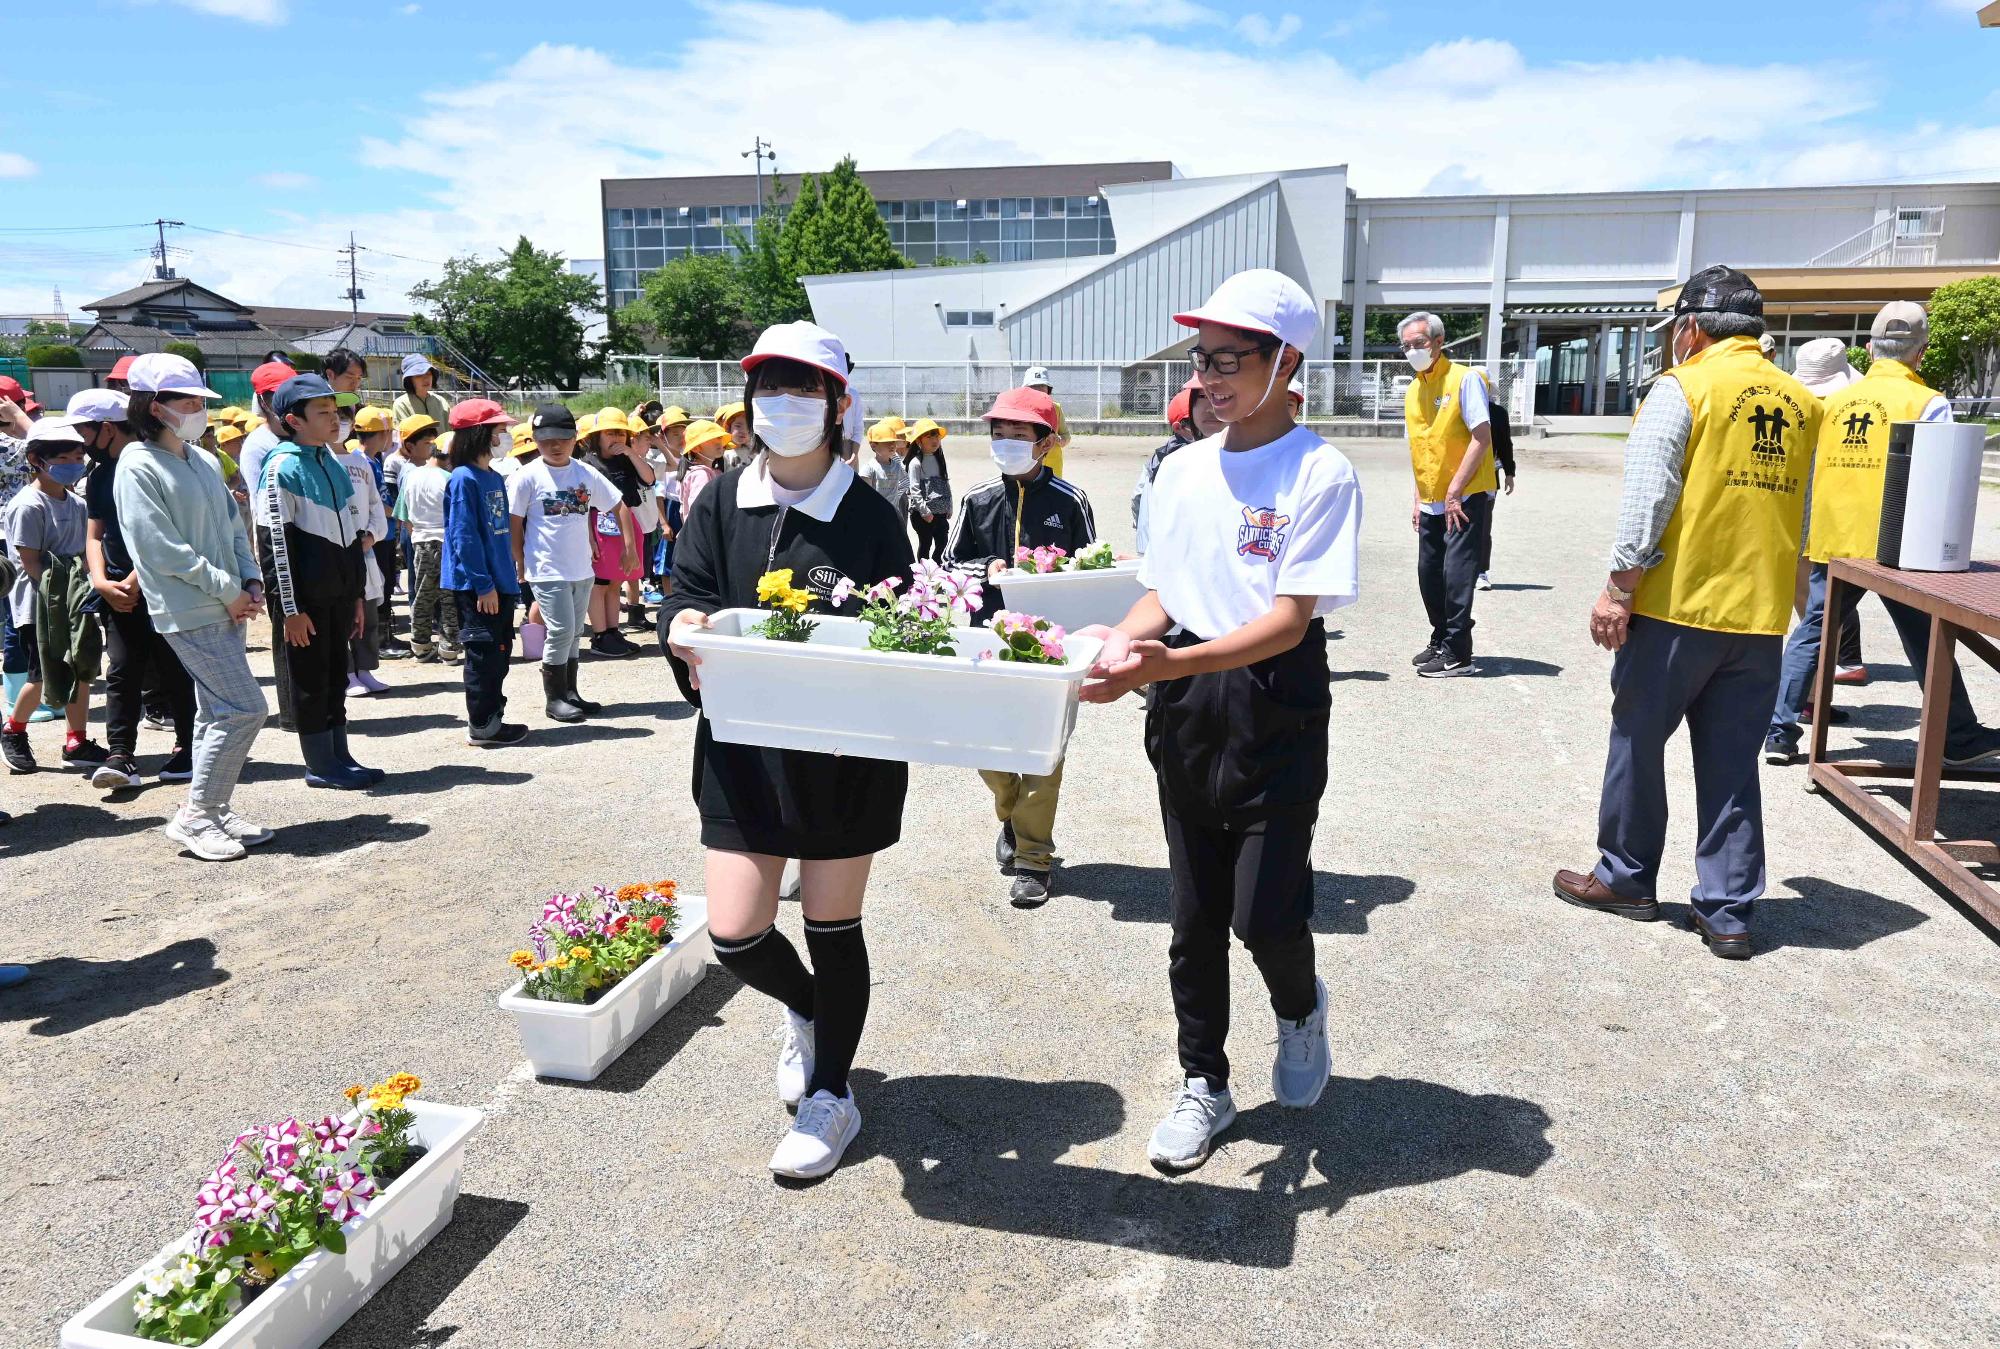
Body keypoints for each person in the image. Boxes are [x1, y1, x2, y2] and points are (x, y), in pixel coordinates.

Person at [1078, 269, 1360, 1171]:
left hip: (1274, 695)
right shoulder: (1182, 470)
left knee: (1262, 911)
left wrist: (1170, 661)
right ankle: (1204, 1081)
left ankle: (1299, 1005)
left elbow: (1287, 619)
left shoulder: (1320, 469)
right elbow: (1165, 591)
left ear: (1286, 361)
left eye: (1232, 360)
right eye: (1203, 360)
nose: (1212, 379)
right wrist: (1115, 648)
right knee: (1194, 916)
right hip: (1187, 700)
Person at [664, 321, 916, 1181]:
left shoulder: (871, 514)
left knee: (831, 924)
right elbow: (686, 593)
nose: (786, 402)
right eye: (771, 385)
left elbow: (899, 624)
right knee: (735, 934)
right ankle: (810, 1011)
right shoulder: (719, 499)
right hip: (741, 747)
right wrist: (685, 628)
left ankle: (833, 1094)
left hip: (846, 755)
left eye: (805, 387)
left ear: (838, 403)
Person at [1553, 266, 1819, 960]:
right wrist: (1806, 608)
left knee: (1638, 742)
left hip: (1678, 610)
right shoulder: (1800, 402)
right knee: (1732, 763)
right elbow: (1805, 512)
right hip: (1757, 621)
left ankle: (1627, 877)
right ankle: (1728, 910)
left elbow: (1649, 495)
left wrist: (1618, 589)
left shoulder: (1684, 388)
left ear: (1691, 328)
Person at [1766, 303, 2000, 768]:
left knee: (1814, 628)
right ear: (1922, 353)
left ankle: (1779, 732)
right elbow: (1941, 481)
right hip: (1899, 542)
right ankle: (1956, 736)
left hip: (1834, 535)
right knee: (1927, 635)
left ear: (1869, 348)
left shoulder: (1832, 402)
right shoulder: (1927, 402)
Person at [115, 354, 270, 860]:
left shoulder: (201, 458)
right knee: (245, 708)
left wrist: (249, 578)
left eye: (201, 401)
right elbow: (159, 548)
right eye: (188, 400)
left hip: (226, 601)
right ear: (154, 406)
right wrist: (229, 589)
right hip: (189, 606)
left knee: (215, 711)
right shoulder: (136, 465)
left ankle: (214, 809)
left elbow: (231, 525)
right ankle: (198, 814)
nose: (199, 408)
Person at [947, 386, 1097, 907]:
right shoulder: (977, 499)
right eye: (999, 433)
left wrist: (1052, 572)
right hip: (987, 640)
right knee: (988, 745)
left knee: (1041, 751)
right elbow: (950, 566)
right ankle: (1012, 815)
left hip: (1048, 646)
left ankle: (1033, 858)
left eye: (1018, 434)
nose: (1006, 441)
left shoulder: (1070, 501)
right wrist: (986, 573)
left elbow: (1089, 567)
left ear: (1044, 440)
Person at [258, 374, 383, 790]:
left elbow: (351, 536)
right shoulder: (281, 466)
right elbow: (276, 545)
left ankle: (340, 755)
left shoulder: (331, 461)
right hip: (305, 604)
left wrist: (358, 598)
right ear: (293, 420)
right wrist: (290, 611)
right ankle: (319, 764)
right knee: (311, 682)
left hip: (340, 596)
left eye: (336, 412)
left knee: (335, 678)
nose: (335, 421)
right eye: (323, 413)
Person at [76, 388, 196, 791]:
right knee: (122, 671)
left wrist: (135, 579)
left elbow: (170, 534)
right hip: (117, 594)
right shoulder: (97, 476)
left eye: (84, 433)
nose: (82, 443)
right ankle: (121, 754)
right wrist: (101, 581)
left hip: (163, 588)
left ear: (107, 428)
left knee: (175, 669)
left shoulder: (153, 464)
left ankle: (187, 745)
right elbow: (95, 534)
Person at [2, 418, 107, 774]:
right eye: (64, 458)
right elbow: (29, 562)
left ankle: (76, 740)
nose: (74, 465)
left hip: (76, 601)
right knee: (43, 674)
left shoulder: (76, 504)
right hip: (40, 606)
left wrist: (88, 588)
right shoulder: (28, 505)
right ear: (37, 459)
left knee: (81, 669)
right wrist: (65, 591)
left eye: (78, 456)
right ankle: (13, 731)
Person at [508, 403, 621, 723]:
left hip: (581, 568)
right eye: (546, 440)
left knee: (573, 633)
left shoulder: (584, 473)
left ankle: (570, 693)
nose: (555, 446)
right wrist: (518, 562)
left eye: (562, 438)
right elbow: (515, 523)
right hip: (545, 568)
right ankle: (554, 698)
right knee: (560, 631)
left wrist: (628, 547)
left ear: (575, 439)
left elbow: (615, 503)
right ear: (534, 441)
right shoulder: (526, 477)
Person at [1401, 310, 1497, 678]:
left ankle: (1459, 653)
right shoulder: (1413, 389)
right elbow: (1418, 449)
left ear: (1439, 343)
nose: (1413, 351)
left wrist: (1455, 490)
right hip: (1430, 500)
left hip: (1465, 495)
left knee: (1456, 574)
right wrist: (1417, 499)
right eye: (1407, 346)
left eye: (1420, 344)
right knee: (1430, 574)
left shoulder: (1465, 380)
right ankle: (1440, 638)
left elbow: (1481, 436)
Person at [441, 401, 527, 747]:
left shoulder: (491, 476)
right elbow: (464, 536)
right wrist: (483, 585)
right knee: (483, 655)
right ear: (480, 434)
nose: (504, 436)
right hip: (478, 586)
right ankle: (482, 724)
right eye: (499, 430)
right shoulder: (463, 478)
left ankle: (494, 716)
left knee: (499, 653)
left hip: (498, 582)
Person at [1790, 337, 1868, 685]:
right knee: (1814, 613)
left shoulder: (1858, 405)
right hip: (1811, 521)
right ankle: (1809, 697)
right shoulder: (1842, 403)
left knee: (1820, 613)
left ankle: (1810, 696)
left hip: (1832, 522)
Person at [575, 410, 645, 658]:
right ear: (597, 436)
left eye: (620, 432)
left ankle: (613, 630)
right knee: (599, 584)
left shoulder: (627, 459)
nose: (616, 437)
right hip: (597, 525)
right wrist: (589, 538)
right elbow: (582, 505)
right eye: (610, 432)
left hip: (624, 525)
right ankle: (600, 634)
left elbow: (648, 479)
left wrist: (631, 453)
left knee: (616, 580)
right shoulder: (586, 465)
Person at [332, 407, 391, 696]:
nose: (339, 422)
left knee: (367, 614)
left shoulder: (361, 462)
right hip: (337, 550)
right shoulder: (321, 460)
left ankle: (364, 668)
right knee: (343, 614)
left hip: (364, 549)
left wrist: (371, 534)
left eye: (343, 416)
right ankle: (345, 671)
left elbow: (375, 504)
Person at [392, 416, 459, 663]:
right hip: (445, 542)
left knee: (421, 594)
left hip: (420, 540)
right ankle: (449, 646)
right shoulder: (449, 479)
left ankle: (420, 644)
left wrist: (415, 533)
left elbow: (403, 514)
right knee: (448, 595)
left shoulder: (412, 476)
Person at [1133, 376, 1221, 554]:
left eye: (1215, 396)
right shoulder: (1173, 461)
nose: (1210, 408)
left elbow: (1137, 498)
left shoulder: (1163, 457)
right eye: (1202, 398)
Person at [1477, 390, 1518, 591]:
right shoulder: (1455, 409)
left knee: (1483, 526)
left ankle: (1480, 571)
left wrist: (1509, 472)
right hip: (1455, 477)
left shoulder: (1497, 413)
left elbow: (1504, 444)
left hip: (1488, 477)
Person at [903, 418, 951, 561]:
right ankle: (923, 573)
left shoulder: (940, 460)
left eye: (936, 436)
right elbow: (914, 489)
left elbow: (945, 484)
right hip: (922, 515)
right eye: (929, 436)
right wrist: (925, 512)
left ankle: (936, 569)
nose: (934, 440)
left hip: (941, 512)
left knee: (942, 543)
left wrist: (949, 506)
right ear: (919, 441)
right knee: (926, 544)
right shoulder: (915, 463)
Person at [1021, 366, 1071, 478]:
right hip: (1028, 465)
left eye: (1042, 386)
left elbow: (1066, 436)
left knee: (1053, 493)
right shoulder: (1019, 411)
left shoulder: (1056, 408)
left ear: (1048, 389)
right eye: (1033, 387)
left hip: (1053, 466)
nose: (1038, 390)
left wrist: (1060, 440)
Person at [678, 418, 729, 516]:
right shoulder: (701, 475)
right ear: (696, 448)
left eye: (719, 437)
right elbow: (700, 512)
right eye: (711, 439)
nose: (718, 442)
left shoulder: (700, 472)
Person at [391, 354, 453, 428]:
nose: (426, 379)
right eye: (419, 375)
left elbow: (450, 432)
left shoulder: (441, 402)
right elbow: (404, 435)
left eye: (429, 374)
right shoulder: (401, 404)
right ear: (409, 379)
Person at [859, 416, 909, 507]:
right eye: (887, 442)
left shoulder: (897, 466)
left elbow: (905, 482)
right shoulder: (869, 469)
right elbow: (864, 497)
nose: (892, 445)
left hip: (893, 515)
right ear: (874, 446)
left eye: (894, 441)